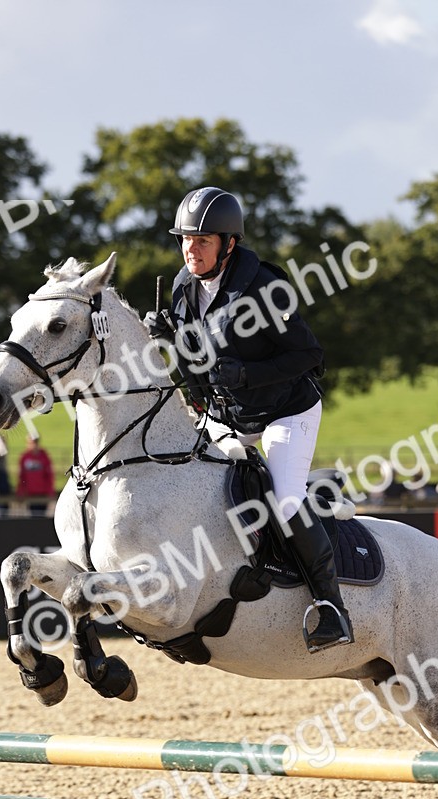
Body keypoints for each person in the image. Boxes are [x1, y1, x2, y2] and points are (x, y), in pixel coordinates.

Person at [145, 186, 353, 652]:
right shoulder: (183, 287)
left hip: (285, 412)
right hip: (227, 415)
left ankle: (330, 606)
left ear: (229, 244)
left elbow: (310, 356)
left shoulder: (263, 289)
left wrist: (250, 373)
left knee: (283, 502)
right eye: (185, 240)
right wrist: (170, 338)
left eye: (202, 241)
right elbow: (198, 365)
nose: (190, 250)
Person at [16, 434, 54, 512]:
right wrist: (21, 491)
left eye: (34, 443)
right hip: (30, 494)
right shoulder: (25, 457)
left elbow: (49, 475)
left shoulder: (44, 456)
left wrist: (50, 491)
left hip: (42, 494)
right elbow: (21, 476)